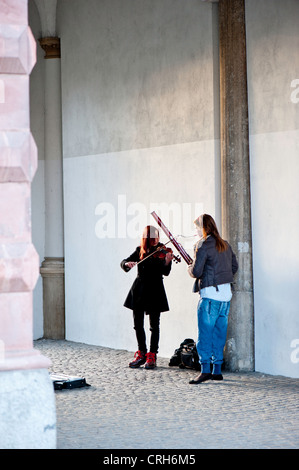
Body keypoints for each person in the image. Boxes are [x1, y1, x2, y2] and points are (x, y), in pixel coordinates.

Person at [188, 214, 238, 384]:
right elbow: (234, 267)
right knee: (219, 333)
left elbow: (196, 272)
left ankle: (205, 371)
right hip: (226, 296)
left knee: (205, 334)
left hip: (210, 296)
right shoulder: (225, 244)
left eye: (196, 228)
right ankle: (217, 370)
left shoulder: (203, 245)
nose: (195, 231)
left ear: (203, 228)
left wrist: (190, 267)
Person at [120, 225, 173, 369]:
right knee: (138, 324)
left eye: (157, 236)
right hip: (139, 290)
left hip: (155, 290)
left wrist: (168, 261)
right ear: (146, 238)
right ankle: (141, 353)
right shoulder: (140, 250)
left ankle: (152, 355)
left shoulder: (163, 251)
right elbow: (123, 262)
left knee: (154, 326)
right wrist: (127, 264)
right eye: (152, 238)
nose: (155, 240)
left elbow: (166, 272)